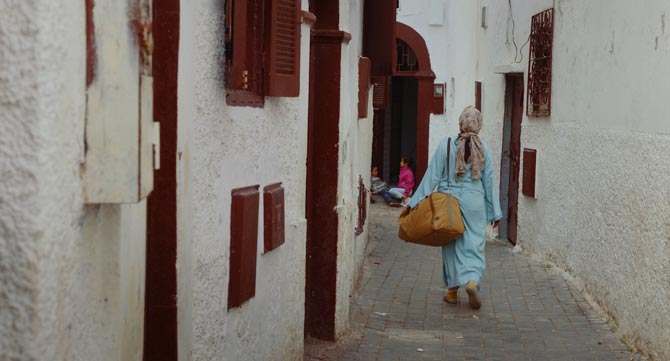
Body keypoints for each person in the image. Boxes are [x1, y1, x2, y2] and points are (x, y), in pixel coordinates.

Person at [408, 106, 502, 310]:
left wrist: (413, 203)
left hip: (449, 201)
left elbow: (431, 175)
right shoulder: (484, 148)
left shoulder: (447, 144)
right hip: (475, 203)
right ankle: (472, 282)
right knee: (474, 244)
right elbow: (489, 182)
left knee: (450, 244)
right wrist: (495, 212)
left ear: (460, 123)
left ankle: (452, 292)